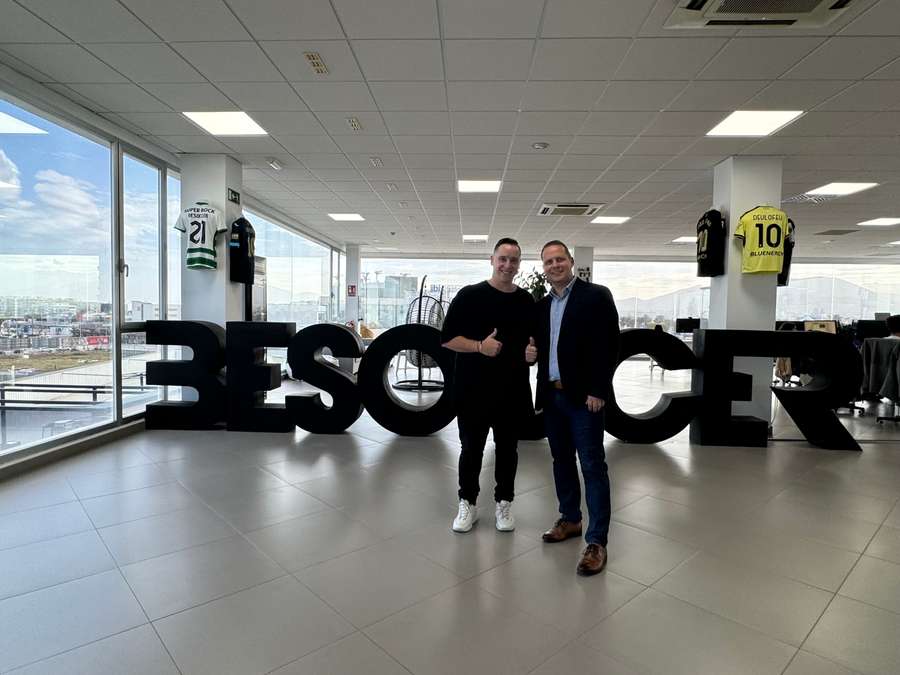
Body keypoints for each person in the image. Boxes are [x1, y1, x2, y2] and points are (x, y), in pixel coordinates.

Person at [525, 240, 620, 576]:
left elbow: (609, 345)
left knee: (593, 466)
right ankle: (570, 519)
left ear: (570, 261)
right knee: (560, 459)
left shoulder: (596, 296)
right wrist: (529, 353)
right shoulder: (541, 306)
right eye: (548, 261)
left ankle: (597, 542)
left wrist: (598, 390)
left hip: (584, 399)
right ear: (544, 267)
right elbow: (536, 345)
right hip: (552, 397)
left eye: (559, 259)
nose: (554, 265)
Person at [441, 238, 534, 533]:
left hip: (512, 391)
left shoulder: (525, 300)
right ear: (492, 260)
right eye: (503, 259)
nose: (508, 265)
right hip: (473, 391)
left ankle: (504, 502)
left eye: (514, 260)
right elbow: (448, 339)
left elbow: (531, 344)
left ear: (519, 265)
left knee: (508, 451)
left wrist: (533, 355)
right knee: (471, 450)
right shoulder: (469, 296)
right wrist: (480, 346)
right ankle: (467, 503)